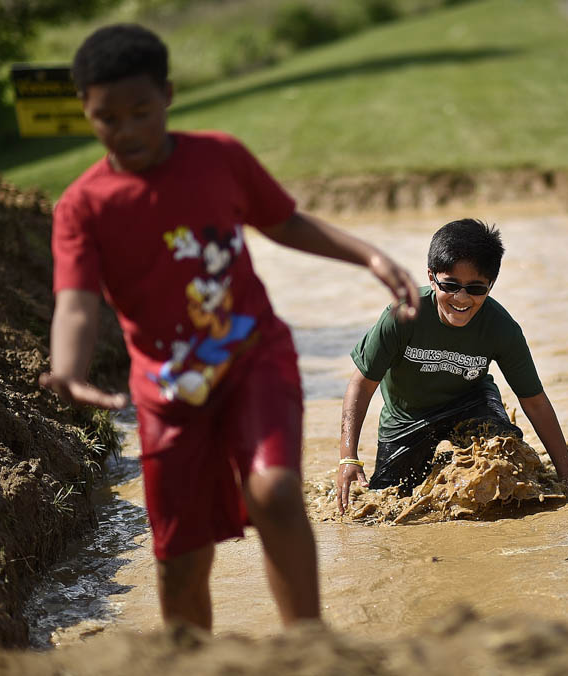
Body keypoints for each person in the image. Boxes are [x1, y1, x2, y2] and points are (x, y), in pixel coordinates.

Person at [38, 23, 420, 631]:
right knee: (181, 557)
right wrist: (69, 368)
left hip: (253, 359)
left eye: (141, 111)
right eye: (108, 118)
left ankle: (309, 649)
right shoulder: (84, 205)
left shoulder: (219, 158)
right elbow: (78, 301)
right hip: (168, 392)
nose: (128, 130)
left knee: (274, 493)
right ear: (86, 112)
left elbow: (284, 221)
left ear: (167, 94)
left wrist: (369, 256)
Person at [336, 218, 568, 513]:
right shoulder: (401, 317)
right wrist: (348, 458)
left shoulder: (501, 328)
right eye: (450, 285)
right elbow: (361, 384)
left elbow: (534, 401)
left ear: (491, 285)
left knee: (505, 467)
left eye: (476, 288)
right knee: (388, 504)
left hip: (471, 404)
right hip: (407, 418)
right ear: (431, 276)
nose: (461, 298)